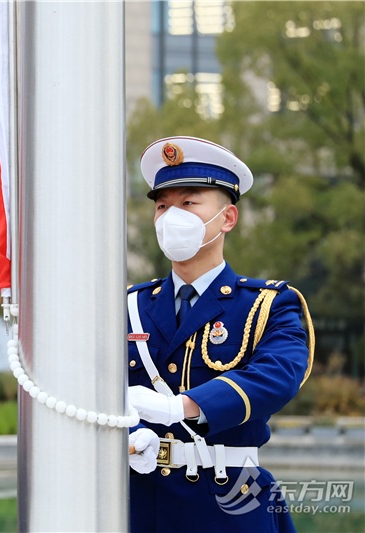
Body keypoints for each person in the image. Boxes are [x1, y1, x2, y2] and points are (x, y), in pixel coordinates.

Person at [125, 136, 314, 533]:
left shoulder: (267, 304)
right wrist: (129, 434)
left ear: (227, 218)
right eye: (162, 206)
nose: (171, 217)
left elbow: (277, 375)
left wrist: (186, 406)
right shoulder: (129, 306)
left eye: (189, 203)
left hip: (228, 506)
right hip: (136, 504)